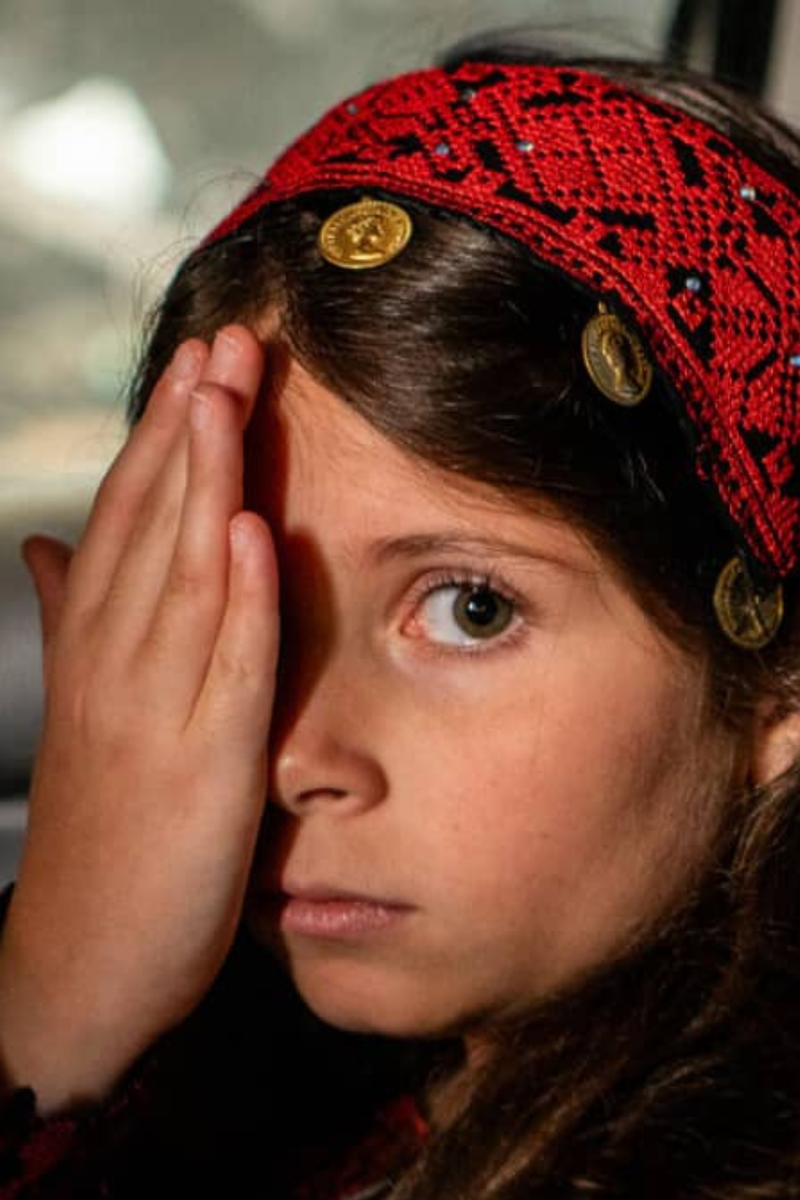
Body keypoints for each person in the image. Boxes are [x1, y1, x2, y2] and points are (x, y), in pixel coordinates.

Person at [1, 32, 800, 1199]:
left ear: (774, 689)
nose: (292, 757)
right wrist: (61, 1002)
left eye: (472, 608)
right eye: (246, 613)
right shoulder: (278, 1092)